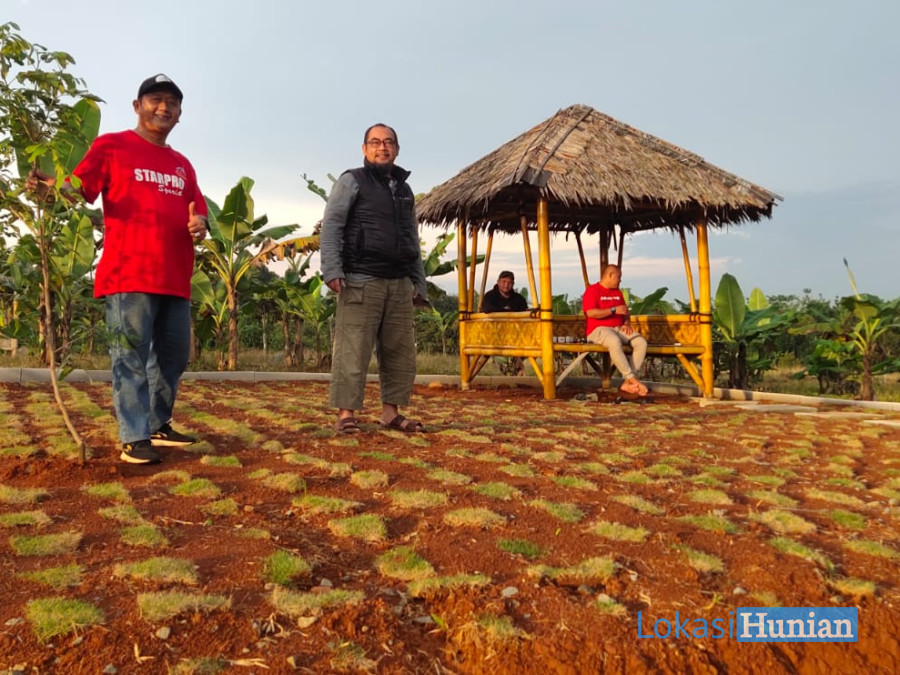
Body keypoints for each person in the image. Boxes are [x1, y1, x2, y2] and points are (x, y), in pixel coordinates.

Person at [29, 74, 208, 464]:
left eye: (172, 103)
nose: (164, 107)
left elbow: (199, 213)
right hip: (129, 274)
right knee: (130, 358)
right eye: (155, 99)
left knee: (174, 358)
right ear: (137, 106)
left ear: (180, 114)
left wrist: (201, 224)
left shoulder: (182, 165)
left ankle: (158, 425)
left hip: (176, 277)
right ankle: (134, 437)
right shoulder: (112, 146)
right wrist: (51, 187)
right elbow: (79, 188)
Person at [320, 123, 428, 434]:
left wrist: (418, 282)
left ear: (397, 149)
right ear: (365, 149)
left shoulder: (404, 190)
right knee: (352, 351)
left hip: (399, 282)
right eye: (376, 142)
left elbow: (411, 236)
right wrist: (332, 269)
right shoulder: (352, 180)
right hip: (361, 279)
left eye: (389, 142)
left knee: (399, 353)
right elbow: (332, 225)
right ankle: (346, 415)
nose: (383, 147)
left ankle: (391, 414)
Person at [582, 264, 649, 396]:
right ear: (610, 275)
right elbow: (591, 313)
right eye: (618, 277)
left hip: (619, 328)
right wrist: (613, 310)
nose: (620, 280)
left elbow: (625, 311)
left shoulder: (618, 292)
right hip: (598, 329)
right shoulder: (592, 290)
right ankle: (632, 378)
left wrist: (627, 323)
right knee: (614, 341)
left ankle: (627, 382)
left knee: (641, 343)